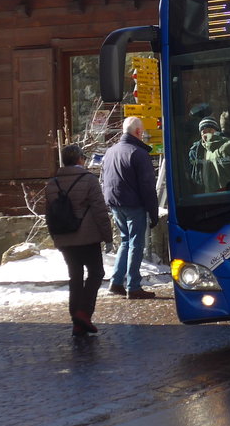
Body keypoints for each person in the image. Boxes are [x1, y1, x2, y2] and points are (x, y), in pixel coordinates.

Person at [46, 145, 112, 336]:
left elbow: (49, 214)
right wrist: (107, 237)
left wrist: (56, 238)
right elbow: (100, 211)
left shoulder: (52, 183)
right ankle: (83, 313)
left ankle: (77, 319)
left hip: (64, 238)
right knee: (96, 273)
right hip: (88, 237)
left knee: (75, 277)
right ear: (80, 160)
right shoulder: (89, 180)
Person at [101, 116, 159, 299]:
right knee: (136, 244)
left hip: (115, 203)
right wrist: (154, 212)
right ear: (138, 132)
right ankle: (133, 286)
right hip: (134, 205)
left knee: (126, 241)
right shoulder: (139, 153)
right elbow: (148, 186)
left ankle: (116, 282)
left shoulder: (110, 151)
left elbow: (104, 179)